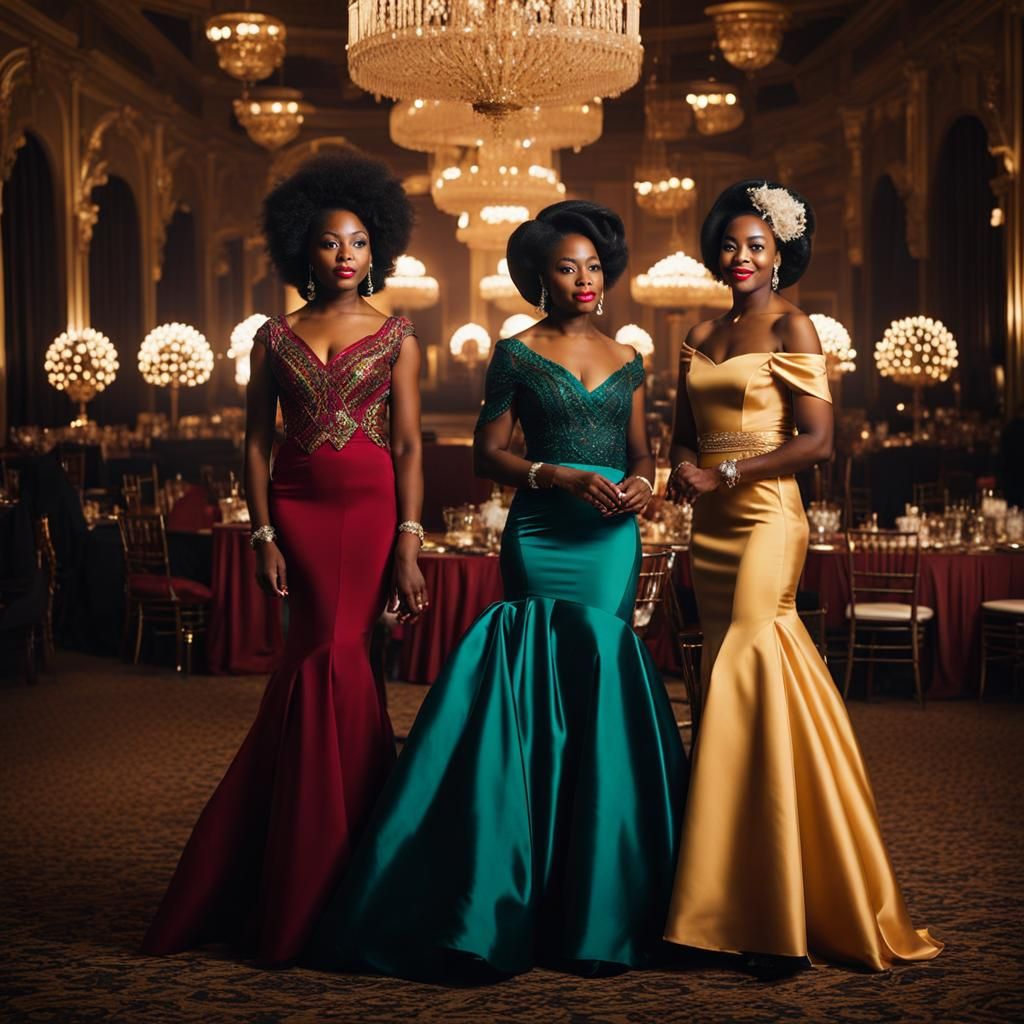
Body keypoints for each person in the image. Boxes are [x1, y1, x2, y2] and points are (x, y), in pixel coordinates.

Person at [309, 200, 687, 981]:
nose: (584, 279)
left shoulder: (630, 357)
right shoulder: (516, 353)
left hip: (611, 539)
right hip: (543, 532)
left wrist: (643, 486)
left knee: (598, 688)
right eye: (565, 268)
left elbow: (646, 451)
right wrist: (557, 474)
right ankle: (511, 881)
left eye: (592, 267)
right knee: (533, 689)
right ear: (539, 281)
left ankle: (597, 893)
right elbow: (487, 455)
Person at [142, 154, 427, 966]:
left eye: (360, 243)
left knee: (342, 658)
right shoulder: (274, 336)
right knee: (320, 656)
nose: (346, 255)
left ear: (378, 252)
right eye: (332, 243)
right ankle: (305, 864)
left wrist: (410, 539)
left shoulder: (399, 334)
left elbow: (408, 444)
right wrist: (263, 535)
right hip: (298, 511)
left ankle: (332, 860)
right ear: (305, 250)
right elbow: (256, 442)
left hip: (372, 511)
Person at [663, 180, 942, 971]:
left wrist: (728, 474)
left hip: (763, 517)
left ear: (780, 252)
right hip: (709, 528)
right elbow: (681, 434)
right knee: (730, 679)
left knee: (753, 657)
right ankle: (726, 893)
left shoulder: (796, 326)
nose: (740, 256)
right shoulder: (700, 330)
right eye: (730, 244)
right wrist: (687, 467)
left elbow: (818, 443)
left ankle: (773, 911)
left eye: (757, 245)